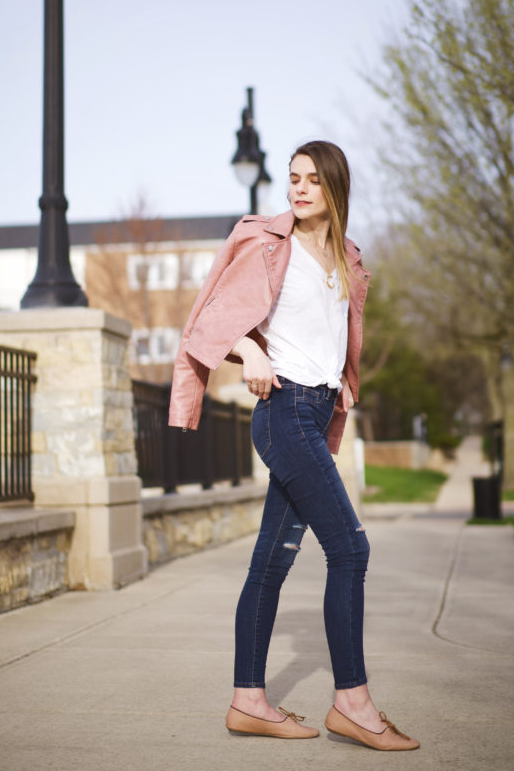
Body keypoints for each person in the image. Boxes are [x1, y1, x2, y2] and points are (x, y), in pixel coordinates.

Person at [169, 140, 419, 751]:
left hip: (312, 408)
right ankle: (353, 705)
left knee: (272, 561)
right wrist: (250, 350)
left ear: (335, 187)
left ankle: (248, 701)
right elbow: (207, 321)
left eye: (312, 179)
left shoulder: (346, 259)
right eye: (292, 178)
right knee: (350, 550)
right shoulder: (264, 241)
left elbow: (337, 337)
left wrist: (343, 384)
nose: (299, 188)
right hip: (283, 413)